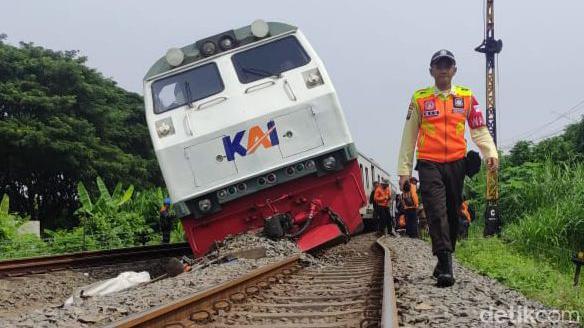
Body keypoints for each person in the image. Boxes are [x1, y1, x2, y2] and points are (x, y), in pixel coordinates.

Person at [396, 49, 498, 287]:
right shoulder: (419, 98)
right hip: (429, 163)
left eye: (447, 64)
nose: (443, 68)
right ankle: (446, 267)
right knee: (436, 211)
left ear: (454, 70)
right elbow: (409, 136)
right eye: (438, 65)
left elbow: (479, 128)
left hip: (456, 163)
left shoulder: (466, 97)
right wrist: (404, 171)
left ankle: (443, 260)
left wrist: (490, 153)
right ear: (431, 70)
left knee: (452, 213)